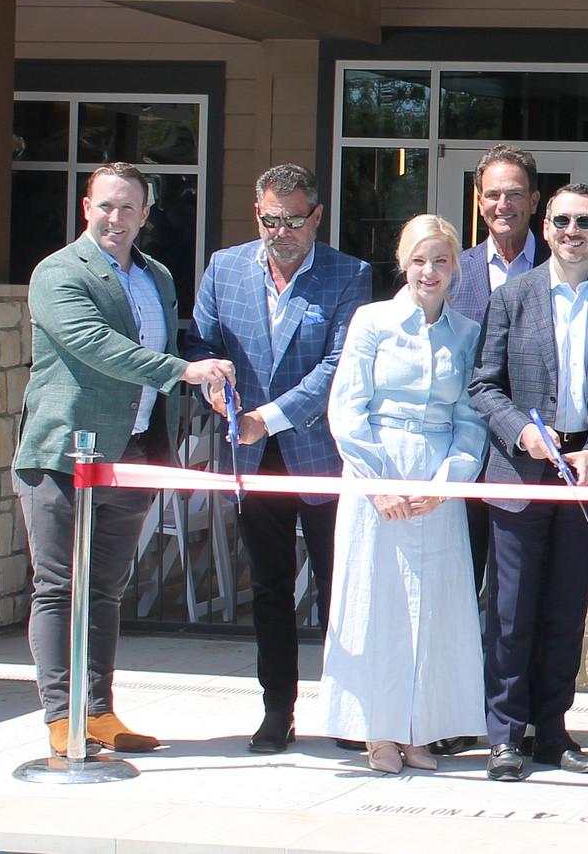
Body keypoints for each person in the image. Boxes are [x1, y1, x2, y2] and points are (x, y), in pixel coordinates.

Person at [13, 162, 234, 756]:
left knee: (105, 591)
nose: (116, 218)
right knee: (59, 588)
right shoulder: (58, 272)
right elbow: (92, 343)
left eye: (129, 208)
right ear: (87, 208)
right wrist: (182, 372)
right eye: (106, 206)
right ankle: (62, 718)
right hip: (65, 455)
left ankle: (100, 710)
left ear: (145, 213)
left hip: (135, 453)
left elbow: (167, 342)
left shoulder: (156, 275)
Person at [186, 163, 372, 754]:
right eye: (271, 218)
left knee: (337, 587)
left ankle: (348, 713)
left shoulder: (350, 274)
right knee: (267, 587)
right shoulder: (224, 267)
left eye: (294, 219)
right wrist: (212, 383)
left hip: (319, 452)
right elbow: (200, 342)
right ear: (257, 213)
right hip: (251, 457)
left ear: (316, 215)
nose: (282, 230)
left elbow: (338, 367)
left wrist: (265, 416)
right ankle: (277, 710)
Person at [469, 183, 588, 781]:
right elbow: (483, 385)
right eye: (562, 220)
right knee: (511, 612)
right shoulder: (513, 297)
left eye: (585, 221)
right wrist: (522, 433)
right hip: (521, 470)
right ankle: (505, 735)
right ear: (545, 228)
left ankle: (552, 730)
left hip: (584, 474)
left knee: (566, 610)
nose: (572, 230)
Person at [317, 215, 490, 773]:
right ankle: (379, 732)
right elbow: (346, 409)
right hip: (378, 471)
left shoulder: (466, 333)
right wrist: (378, 484)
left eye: (441, 260)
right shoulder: (371, 322)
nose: (429, 271)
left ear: (455, 269)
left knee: (435, 606)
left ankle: (422, 729)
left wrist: (448, 484)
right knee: (378, 602)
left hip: (437, 478)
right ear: (403, 262)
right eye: (419, 260)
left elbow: (471, 418)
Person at [449, 145, 548, 609]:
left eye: (514, 194)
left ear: (534, 201)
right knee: (459, 593)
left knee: (519, 603)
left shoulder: (560, 269)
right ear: (478, 199)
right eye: (492, 194)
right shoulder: (451, 272)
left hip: (532, 458)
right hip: (462, 454)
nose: (502, 204)